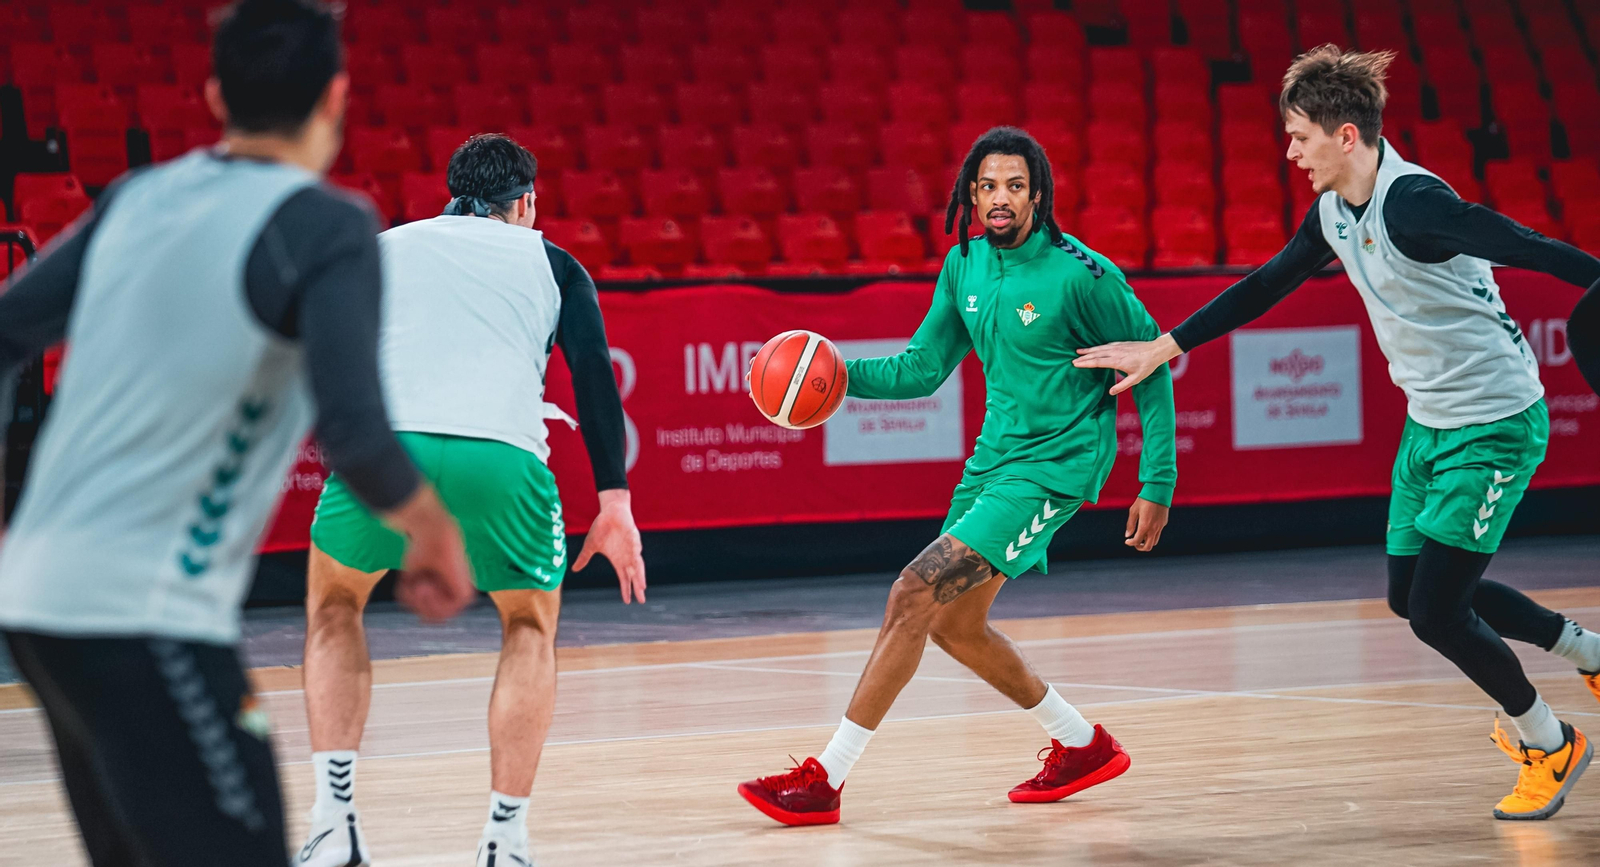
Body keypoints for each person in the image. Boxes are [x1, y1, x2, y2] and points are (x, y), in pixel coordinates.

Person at [0, 1, 476, 864]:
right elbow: (357, 432)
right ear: (336, 96)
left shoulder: (138, 198)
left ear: (216, 94)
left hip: (33, 599)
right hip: (142, 611)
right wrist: (434, 531)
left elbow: (5, 333)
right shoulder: (328, 226)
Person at [1074, 45, 1600, 821]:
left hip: (1494, 425)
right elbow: (1266, 284)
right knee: (1409, 595)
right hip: (1428, 423)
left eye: (1298, 137)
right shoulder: (1331, 211)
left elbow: (1523, 243)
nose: (1290, 152)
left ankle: (1548, 742)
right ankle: (1588, 652)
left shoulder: (1413, 203)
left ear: (1345, 135)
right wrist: (1164, 346)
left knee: (1438, 611)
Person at [736, 126, 1178, 826]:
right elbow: (922, 367)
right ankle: (1082, 744)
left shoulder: (1082, 274)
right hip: (990, 464)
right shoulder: (963, 263)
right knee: (954, 626)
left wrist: (1157, 481)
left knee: (913, 590)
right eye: (987, 187)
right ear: (970, 194)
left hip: (1053, 470)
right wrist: (838, 377)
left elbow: (1152, 363)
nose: (999, 200)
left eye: (1013, 186)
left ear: (1038, 195)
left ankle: (826, 778)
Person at [294, 133, 644, 867]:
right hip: (502, 456)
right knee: (527, 627)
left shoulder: (384, 248)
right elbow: (593, 378)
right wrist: (614, 499)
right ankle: (504, 839)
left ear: (450, 195)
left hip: (388, 454)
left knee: (333, 606)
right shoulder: (554, 262)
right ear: (525, 203)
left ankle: (332, 823)